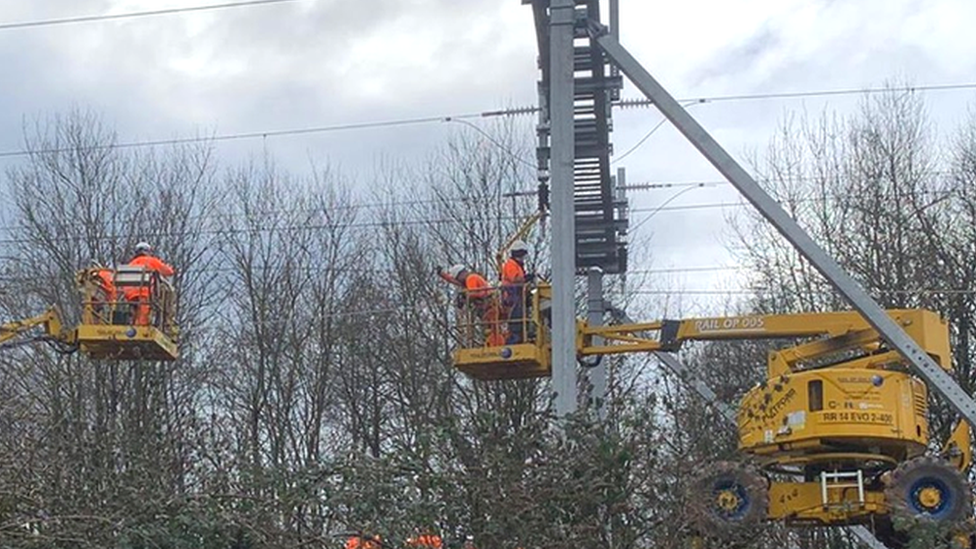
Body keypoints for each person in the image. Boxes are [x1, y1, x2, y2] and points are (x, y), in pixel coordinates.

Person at [440, 264, 505, 346]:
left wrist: (464, 296)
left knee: (492, 328)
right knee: (490, 328)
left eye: (458, 278)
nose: (458, 281)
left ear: (461, 274)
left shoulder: (471, 279)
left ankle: (496, 343)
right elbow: (454, 281)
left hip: (489, 306)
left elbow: (474, 293)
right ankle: (494, 342)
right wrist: (442, 274)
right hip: (488, 306)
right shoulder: (469, 279)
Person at [123, 242, 175, 326]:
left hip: (130, 295)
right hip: (144, 293)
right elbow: (169, 272)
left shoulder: (131, 264)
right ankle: (141, 326)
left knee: (136, 310)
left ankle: (133, 323)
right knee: (144, 311)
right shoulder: (151, 261)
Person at [500, 240, 531, 344]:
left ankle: (523, 334)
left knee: (521, 315)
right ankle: (515, 337)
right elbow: (515, 279)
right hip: (511, 295)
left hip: (517, 294)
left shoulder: (517, 265)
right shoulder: (511, 264)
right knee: (516, 316)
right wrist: (526, 278)